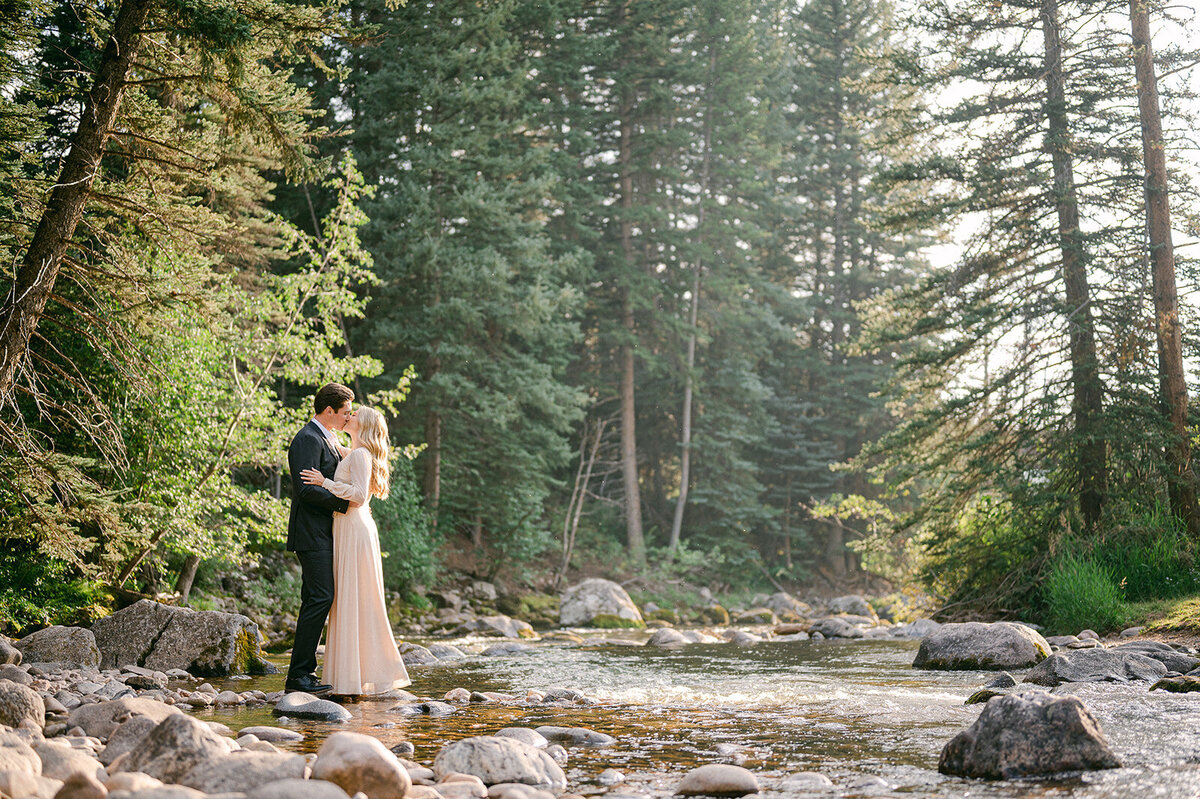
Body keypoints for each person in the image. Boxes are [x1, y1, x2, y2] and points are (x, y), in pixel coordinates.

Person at [301, 406, 410, 696]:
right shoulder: (356, 452)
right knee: (353, 598)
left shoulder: (361, 455)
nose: (349, 415)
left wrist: (324, 482)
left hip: (354, 526)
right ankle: (354, 675)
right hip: (350, 528)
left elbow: (360, 497)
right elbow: (345, 460)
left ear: (365, 424)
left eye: (355, 413)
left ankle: (354, 677)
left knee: (354, 598)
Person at [285, 382, 355, 694]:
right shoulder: (306, 439)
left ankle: (303, 674)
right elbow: (306, 489)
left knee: (319, 597)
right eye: (345, 413)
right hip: (311, 534)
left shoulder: (329, 438)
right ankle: (299, 676)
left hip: (326, 533)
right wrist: (344, 502)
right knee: (319, 597)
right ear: (328, 410)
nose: (348, 418)